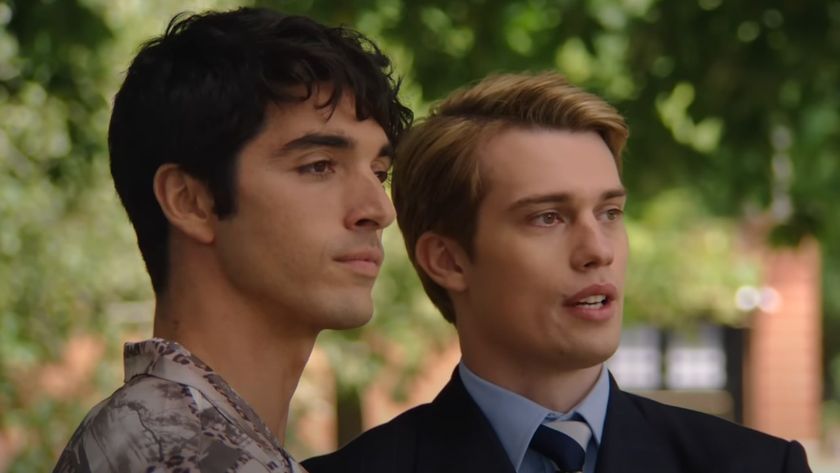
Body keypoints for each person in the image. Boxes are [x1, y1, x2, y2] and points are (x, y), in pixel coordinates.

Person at [302, 72, 811, 473]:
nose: (597, 250)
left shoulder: (760, 465)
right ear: (448, 260)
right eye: (548, 217)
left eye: (610, 213)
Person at [53, 7, 411, 472]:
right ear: (191, 201)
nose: (379, 211)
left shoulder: (188, 437)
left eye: (379, 174)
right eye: (319, 166)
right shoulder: (177, 453)